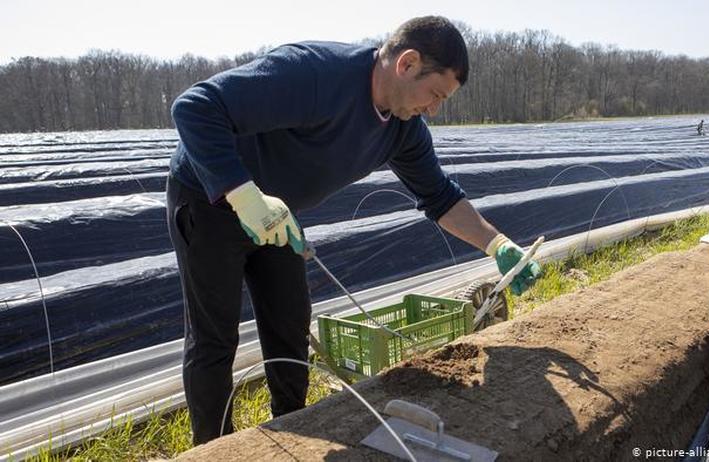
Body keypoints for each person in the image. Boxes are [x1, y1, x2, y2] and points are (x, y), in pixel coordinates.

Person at [166, 16, 542, 445]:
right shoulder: (315, 74)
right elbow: (195, 107)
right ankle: (213, 448)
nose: (434, 109)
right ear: (407, 63)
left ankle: (293, 429)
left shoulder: (403, 130)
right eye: (435, 94)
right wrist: (244, 197)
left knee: (289, 322)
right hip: (208, 196)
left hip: (277, 213)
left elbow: (439, 196)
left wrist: (496, 244)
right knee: (215, 337)